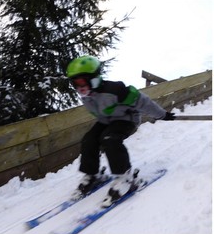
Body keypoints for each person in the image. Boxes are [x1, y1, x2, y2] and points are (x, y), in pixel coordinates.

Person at [66, 55, 175, 208]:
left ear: (94, 77)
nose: (79, 87)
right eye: (75, 83)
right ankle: (93, 175)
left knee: (109, 138)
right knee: (89, 139)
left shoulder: (117, 90)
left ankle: (126, 178)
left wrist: (162, 114)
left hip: (127, 119)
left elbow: (143, 102)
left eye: (82, 81)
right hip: (107, 120)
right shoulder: (87, 95)